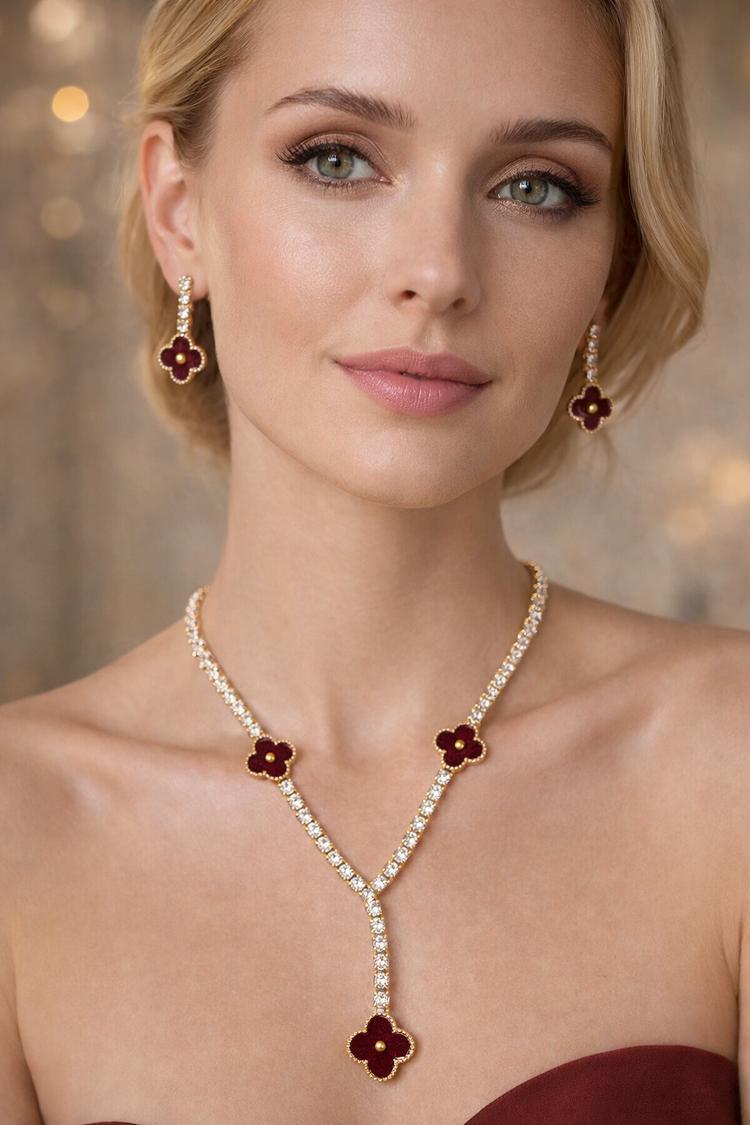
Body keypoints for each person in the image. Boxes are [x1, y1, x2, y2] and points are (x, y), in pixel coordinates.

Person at [1, 0, 747, 1121]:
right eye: (337, 158)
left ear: (611, 263)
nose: (438, 270)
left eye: (536, 184)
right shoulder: (21, 829)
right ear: (177, 208)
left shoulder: (728, 759)